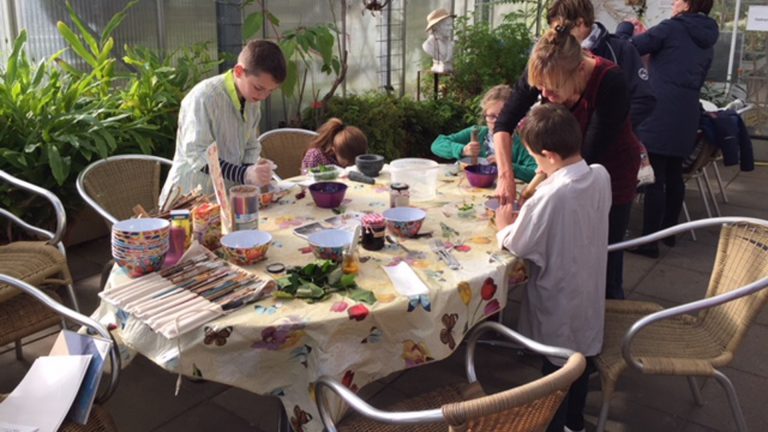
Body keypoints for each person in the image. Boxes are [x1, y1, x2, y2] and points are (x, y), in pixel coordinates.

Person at [494, 21, 642, 300]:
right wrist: (506, 177)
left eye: (552, 91)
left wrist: (537, 198)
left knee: (604, 254)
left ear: (578, 71)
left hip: (611, 173)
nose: (545, 97)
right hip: (566, 167)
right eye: (540, 90)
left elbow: (585, 158)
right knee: (565, 255)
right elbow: (503, 124)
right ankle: (570, 310)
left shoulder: (611, 81)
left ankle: (610, 317)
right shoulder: (544, 69)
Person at [496, 103, 611, 432]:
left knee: (556, 374)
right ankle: (575, 423)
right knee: (581, 358)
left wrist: (503, 224)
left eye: (534, 157)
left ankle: (557, 425)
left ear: (547, 154)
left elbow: (517, 243)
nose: (535, 164)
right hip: (588, 293)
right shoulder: (599, 175)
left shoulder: (551, 197)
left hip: (559, 299)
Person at [616, 0, 718, 258]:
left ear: (687, 4)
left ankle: (650, 243)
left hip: (660, 110)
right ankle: (668, 233)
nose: (673, 3)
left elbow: (628, 50)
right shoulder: (707, 36)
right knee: (673, 173)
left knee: (655, 178)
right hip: (687, 112)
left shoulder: (672, 28)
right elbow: (677, 57)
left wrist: (626, 29)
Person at [159, 40, 286, 206]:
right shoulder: (204, 97)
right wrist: (244, 174)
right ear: (239, 71)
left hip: (226, 199)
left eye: (270, 91)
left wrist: (254, 172)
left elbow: (251, 146)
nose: (263, 96)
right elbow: (197, 154)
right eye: (259, 88)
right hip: (188, 200)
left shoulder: (252, 100)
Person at [546, 0, 655, 133]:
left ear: (580, 23)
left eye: (561, 29)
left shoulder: (620, 50)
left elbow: (643, 100)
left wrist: (609, 129)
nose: (557, 35)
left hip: (611, 144)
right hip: (567, 140)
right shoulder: (556, 51)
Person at [430, 85, 538, 182]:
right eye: (491, 116)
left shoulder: (521, 142)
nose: (497, 121)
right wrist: (462, 150)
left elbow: (536, 173)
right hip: (465, 187)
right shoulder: (477, 133)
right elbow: (437, 145)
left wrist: (506, 165)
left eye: (502, 116)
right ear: (485, 115)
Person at [301, 118, 369, 170]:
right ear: (334, 150)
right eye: (347, 164)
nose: (351, 166)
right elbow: (308, 182)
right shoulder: (315, 156)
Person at [422, 8, 455, 74]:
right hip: (438, 67)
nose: (451, 28)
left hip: (447, 68)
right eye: (448, 25)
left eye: (451, 25)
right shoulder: (428, 45)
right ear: (436, 27)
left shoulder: (450, 43)